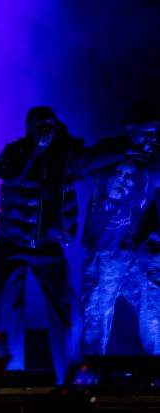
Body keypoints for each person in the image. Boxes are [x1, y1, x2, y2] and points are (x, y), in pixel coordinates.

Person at [0, 106, 133, 384]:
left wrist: (132, 141)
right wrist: (35, 151)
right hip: (10, 244)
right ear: (29, 126)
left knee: (66, 312)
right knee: (4, 310)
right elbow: (10, 175)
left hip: (49, 245)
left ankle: (68, 381)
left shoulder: (65, 155)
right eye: (40, 124)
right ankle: (5, 380)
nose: (46, 130)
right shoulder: (14, 152)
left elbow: (96, 155)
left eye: (50, 124)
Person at [81, 101, 160, 356]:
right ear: (131, 130)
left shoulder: (156, 161)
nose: (152, 138)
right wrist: (119, 151)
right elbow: (77, 167)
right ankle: (90, 378)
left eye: (156, 132)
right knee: (97, 314)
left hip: (143, 250)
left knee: (155, 313)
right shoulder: (109, 153)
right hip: (106, 248)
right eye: (146, 132)